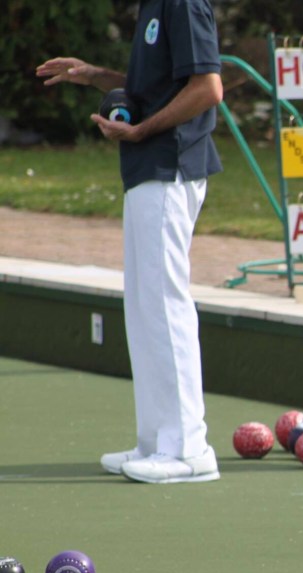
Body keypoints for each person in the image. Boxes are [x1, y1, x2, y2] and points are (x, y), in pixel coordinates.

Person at [36, 0, 223, 483]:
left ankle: (189, 449)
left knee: (164, 303)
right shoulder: (151, 6)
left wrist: (140, 130)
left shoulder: (182, 2)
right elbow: (157, 88)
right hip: (146, 171)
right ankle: (156, 442)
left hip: (170, 168)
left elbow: (207, 88)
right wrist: (97, 76)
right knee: (143, 306)